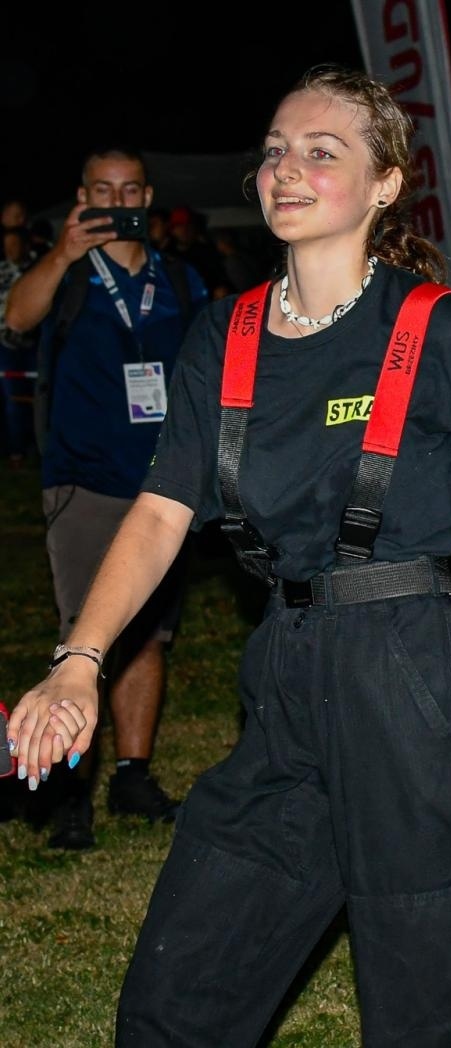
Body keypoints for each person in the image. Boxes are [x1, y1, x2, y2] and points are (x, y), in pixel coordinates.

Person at [6, 65, 451, 1045]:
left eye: (321, 153)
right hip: (285, 669)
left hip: (413, 668)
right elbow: (162, 512)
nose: (287, 170)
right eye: (277, 152)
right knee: (181, 984)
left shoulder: (442, 331)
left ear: (384, 185)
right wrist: (79, 660)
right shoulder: (225, 332)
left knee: (438, 989)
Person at [3, 145, 205, 850]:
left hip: (166, 487)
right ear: (82, 194)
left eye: (128, 190)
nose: (116, 202)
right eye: (101, 189)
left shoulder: (179, 278)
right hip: (83, 482)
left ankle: (132, 773)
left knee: (150, 633)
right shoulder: (67, 276)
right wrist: (59, 254)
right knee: (82, 635)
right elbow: (17, 318)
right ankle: (69, 793)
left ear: (147, 196)